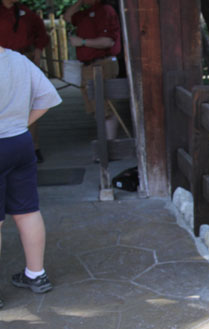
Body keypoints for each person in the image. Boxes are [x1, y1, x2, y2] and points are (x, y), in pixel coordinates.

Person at [0, 46, 62, 309]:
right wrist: (21, 123)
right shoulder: (17, 59)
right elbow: (48, 96)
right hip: (20, 142)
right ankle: (37, 275)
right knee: (27, 210)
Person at [0, 0, 50, 163]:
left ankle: (33, 146)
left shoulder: (26, 13)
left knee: (27, 102)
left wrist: (37, 53)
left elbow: (41, 34)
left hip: (22, 60)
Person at [63, 0, 121, 141]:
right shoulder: (86, 12)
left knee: (106, 107)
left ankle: (109, 144)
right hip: (88, 66)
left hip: (102, 64)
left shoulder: (106, 10)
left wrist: (82, 42)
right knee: (95, 107)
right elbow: (67, 17)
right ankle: (105, 142)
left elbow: (108, 42)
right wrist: (80, 2)